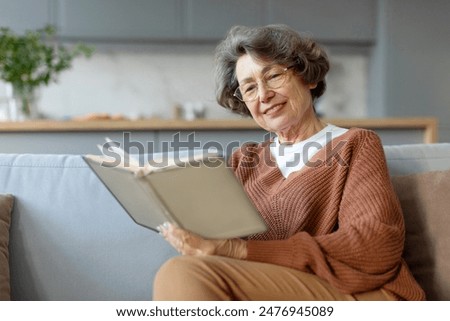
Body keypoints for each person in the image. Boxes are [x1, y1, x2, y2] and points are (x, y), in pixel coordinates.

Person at [153, 24, 425, 301]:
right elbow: (221, 243)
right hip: (273, 289)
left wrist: (239, 251)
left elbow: (374, 246)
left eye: (272, 76)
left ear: (308, 77)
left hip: (357, 291)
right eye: (249, 88)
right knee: (185, 271)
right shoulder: (243, 161)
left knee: (182, 274)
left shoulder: (356, 144)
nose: (263, 95)